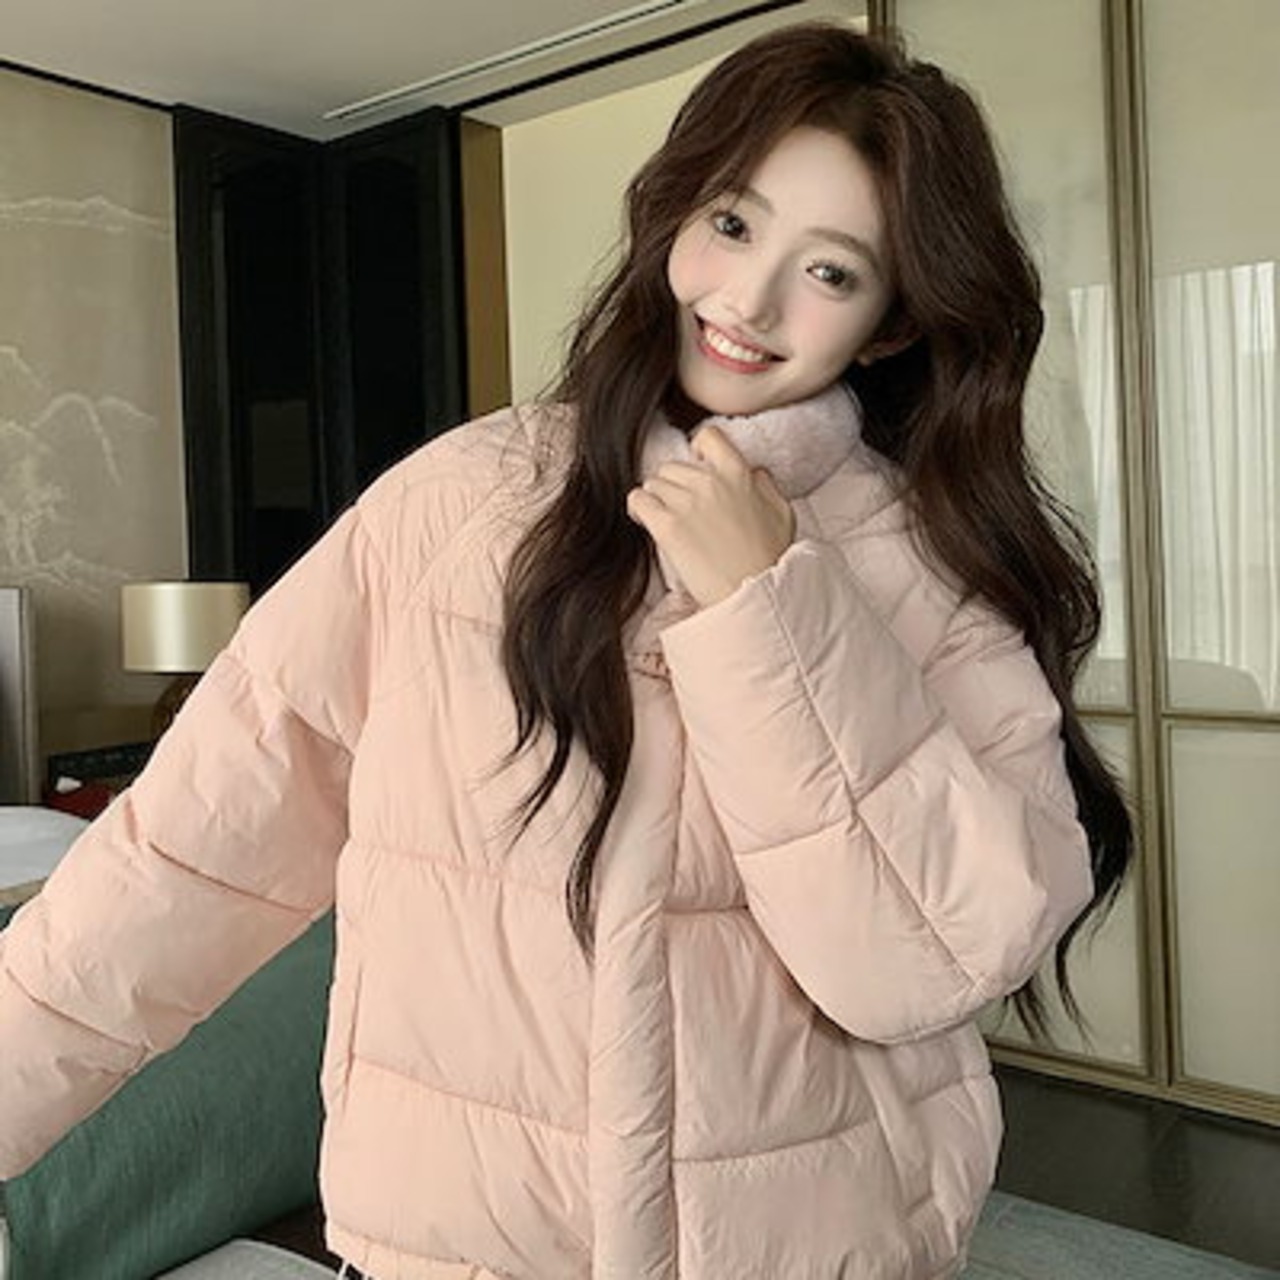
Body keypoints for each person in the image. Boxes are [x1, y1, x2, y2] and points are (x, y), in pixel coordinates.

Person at [0, 22, 1132, 1280]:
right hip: (458, 1243)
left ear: (886, 324)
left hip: (808, 1244)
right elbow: (183, 856)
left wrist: (770, 608)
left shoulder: (927, 566)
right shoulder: (453, 504)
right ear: (673, 216)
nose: (746, 301)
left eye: (829, 270)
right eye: (732, 223)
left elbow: (920, 960)